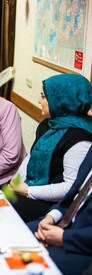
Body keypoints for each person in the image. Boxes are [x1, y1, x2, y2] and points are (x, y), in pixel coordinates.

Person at [10, 74, 92, 222]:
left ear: (62, 100)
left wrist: (28, 191)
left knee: (6, 209)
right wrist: (16, 181)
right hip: (33, 189)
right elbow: (31, 156)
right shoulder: (49, 123)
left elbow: (70, 188)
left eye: (44, 97)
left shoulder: (80, 137)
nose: (39, 101)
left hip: (56, 205)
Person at [27, 146, 92, 275]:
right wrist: (51, 217)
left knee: (34, 259)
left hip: (83, 244)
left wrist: (64, 237)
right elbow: (77, 193)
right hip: (68, 221)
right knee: (25, 231)